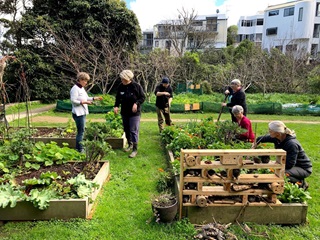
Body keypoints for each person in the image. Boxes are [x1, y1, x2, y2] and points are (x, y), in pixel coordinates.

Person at [253, 121, 312, 190]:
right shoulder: (277, 138)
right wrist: (255, 143)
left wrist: (275, 165)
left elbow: (289, 164)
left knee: (279, 173)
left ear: (277, 133)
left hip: (302, 168)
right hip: (292, 165)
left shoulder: (291, 144)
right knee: (275, 170)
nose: (269, 132)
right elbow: (261, 138)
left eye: (270, 131)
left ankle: (301, 183)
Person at [114, 70, 145, 158]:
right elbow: (118, 98)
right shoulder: (121, 86)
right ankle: (130, 144)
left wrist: (136, 103)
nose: (122, 81)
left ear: (128, 78)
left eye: (123, 79)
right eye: (121, 79)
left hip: (135, 113)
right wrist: (116, 106)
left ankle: (135, 149)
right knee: (126, 129)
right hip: (124, 111)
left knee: (133, 130)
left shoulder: (136, 86)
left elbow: (142, 97)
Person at [70, 72, 103, 152]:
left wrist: (95, 98)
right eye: (85, 81)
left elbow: (86, 97)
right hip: (78, 113)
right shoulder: (75, 89)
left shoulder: (81, 88)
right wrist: (84, 102)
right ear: (80, 80)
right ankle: (80, 149)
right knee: (81, 132)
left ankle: (79, 148)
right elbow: (73, 101)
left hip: (83, 112)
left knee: (82, 130)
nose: (86, 83)